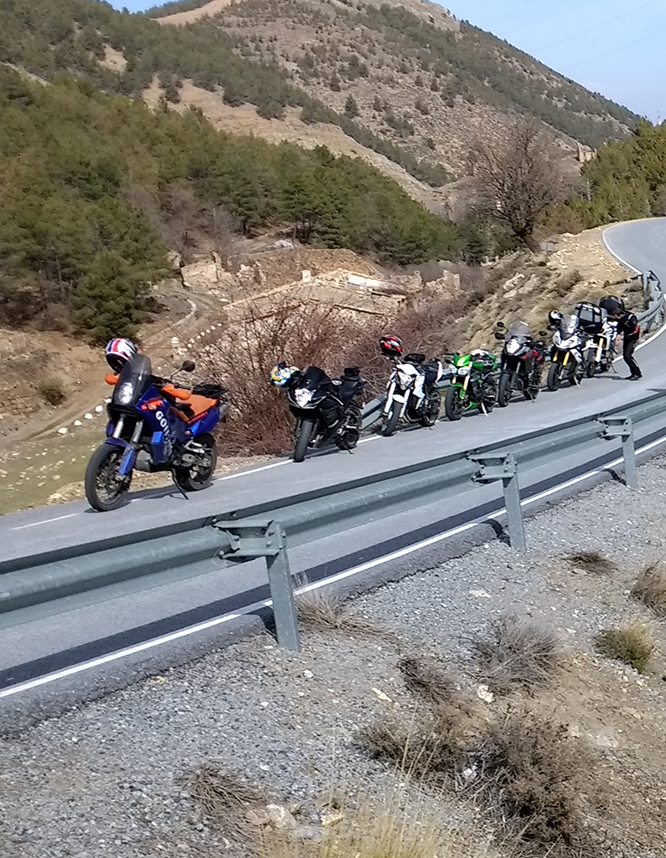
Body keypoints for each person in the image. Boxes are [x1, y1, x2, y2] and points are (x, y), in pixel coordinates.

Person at [611, 307, 641, 380]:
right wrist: (618, 334)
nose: (614, 318)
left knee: (627, 355)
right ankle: (634, 373)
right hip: (626, 338)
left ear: (619, 315)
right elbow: (620, 326)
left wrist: (624, 337)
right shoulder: (620, 319)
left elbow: (636, 331)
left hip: (633, 338)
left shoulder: (631, 318)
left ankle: (637, 373)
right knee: (625, 356)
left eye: (615, 316)